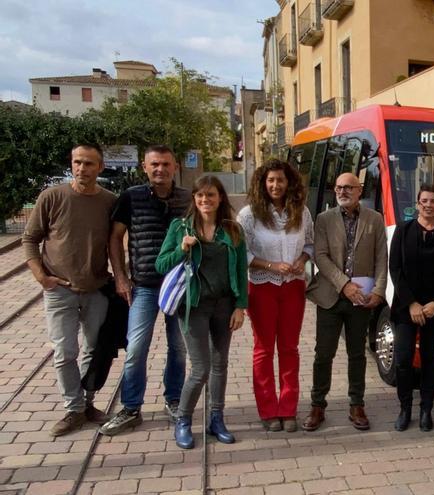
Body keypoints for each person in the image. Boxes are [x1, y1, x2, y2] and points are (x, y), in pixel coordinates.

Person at [22, 144, 116, 436]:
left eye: (89, 163)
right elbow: (30, 238)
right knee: (64, 351)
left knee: (93, 349)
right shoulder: (52, 197)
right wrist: (42, 277)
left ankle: (87, 403)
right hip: (59, 288)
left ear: (100, 167)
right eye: (77, 162)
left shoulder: (110, 201)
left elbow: (115, 242)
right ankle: (72, 408)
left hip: (96, 288)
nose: (82, 168)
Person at [99, 145, 189, 436]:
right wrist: (121, 277)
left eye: (165, 164)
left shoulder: (187, 199)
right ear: (144, 166)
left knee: (178, 348)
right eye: (154, 164)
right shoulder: (131, 198)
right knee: (136, 348)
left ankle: (174, 400)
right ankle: (130, 407)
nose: (160, 169)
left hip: (179, 287)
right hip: (145, 286)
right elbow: (115, 238)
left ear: (174, 166)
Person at [156, 176, 248, 449]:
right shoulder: (180, 227)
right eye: (200, 196)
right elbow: (161, 264)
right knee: (201, 368)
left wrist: (241, 306)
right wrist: (182, 249)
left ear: (220, 198)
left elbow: (241, 271)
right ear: (194, 199)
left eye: (211, 195)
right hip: (193, 307)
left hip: (224, 306)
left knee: (220, 365)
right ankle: (183, 420)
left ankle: (216, 419)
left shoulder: (232, 230)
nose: (205, 201)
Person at [304, 172, 387, 431]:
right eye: (338, 187)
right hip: (330, 296)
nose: (342, 192)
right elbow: (320, 255)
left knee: (357, 354)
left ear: (359, 191)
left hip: (361, 298)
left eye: (348, 188)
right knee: (323, 354)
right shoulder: (324, 219)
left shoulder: (375, 219)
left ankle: (356, 404)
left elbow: (381, 258)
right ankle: (318, 405)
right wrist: (344, 285)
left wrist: (380, 291)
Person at [237, 160, 312, 432]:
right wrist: (270, 265)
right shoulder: (248, 215)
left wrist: (302, 260)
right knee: (264, 349)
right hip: (262, 287)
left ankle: (288, 408)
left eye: (280, 180)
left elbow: (311, 244)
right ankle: (268, 410)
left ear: (288, 182)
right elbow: (240, 254)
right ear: (262, 183)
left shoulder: (301, 213)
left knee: (290, 349)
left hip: (293, 286)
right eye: (270, 180)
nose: (275, 185)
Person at [389, 185, 434, 432]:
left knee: (430, 360)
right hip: (406, 308)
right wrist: (412, 303)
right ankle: (405, 408)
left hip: (433, 309)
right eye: (424, 201)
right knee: (404, 359)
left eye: (433, 201)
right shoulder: (403, 230)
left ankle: (426, 410)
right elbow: (395, 269)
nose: (428, 205)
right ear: (417, 204)